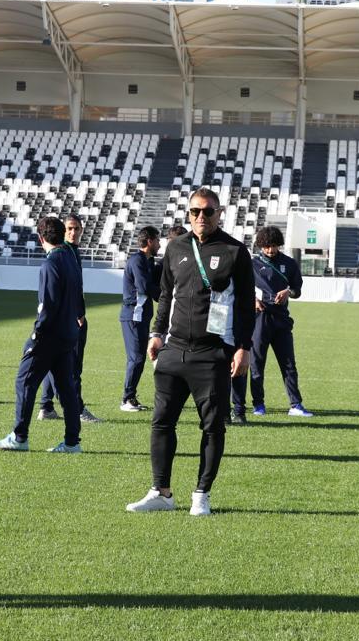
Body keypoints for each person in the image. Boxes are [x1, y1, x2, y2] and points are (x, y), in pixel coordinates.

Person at [126, 188, 254, 517]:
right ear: (188, 213)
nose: (201, 217)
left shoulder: (235, 251)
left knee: (212, 427)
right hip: (174, 349)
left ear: (219, 213)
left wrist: (244, 348)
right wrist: (156, 334)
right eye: (195, 211)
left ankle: (201, 494)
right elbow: (166, 295)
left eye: (208, 211)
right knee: (161, 422)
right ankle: (161, 492)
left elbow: (245, 305)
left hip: (213, 353)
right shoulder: (175, 247)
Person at [0, 216, 84, 454]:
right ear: (62, 234)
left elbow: (47, 305)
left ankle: (19, 437)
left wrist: (36, 334)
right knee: (66, 389)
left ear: (41, 239)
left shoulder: (51, 263)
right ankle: (72, 442)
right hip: (68, 334)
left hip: (49, 336)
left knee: (25, 381)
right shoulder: (71, 259)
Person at [231, 226, 312, 424]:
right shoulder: (251, 264)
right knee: (257, 363)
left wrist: (288, 292)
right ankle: (258, 404)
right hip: (259, 319)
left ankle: (296, 405)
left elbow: (297, 290)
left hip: (282, 319)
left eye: (274, 246)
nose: (270, 250)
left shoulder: (289, 263)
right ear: (260, 245)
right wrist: (252, 300)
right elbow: (239, 289)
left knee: (289, 364)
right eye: (267, 246)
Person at [37, 214, 101, 424]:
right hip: (69, 319)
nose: (73, 232)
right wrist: (78, 314)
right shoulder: (64, 253)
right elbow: (70, 289)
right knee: (72, 366)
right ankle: (77, 409)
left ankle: (46, 405)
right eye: (69, 228)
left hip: (68, 317)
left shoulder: (72, 251)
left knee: (53, 360)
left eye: (77, 228)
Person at [119, 226, 161, 412]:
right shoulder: (137, 260)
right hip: (133, 316)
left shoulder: (148, 261)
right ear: (149, 241)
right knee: (136, 358)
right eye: (157, 241)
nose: (159, 245)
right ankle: (126, 399)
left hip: (141, 316)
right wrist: (165, 297)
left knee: (140, 358)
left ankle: (131, 397)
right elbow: (144, 286)